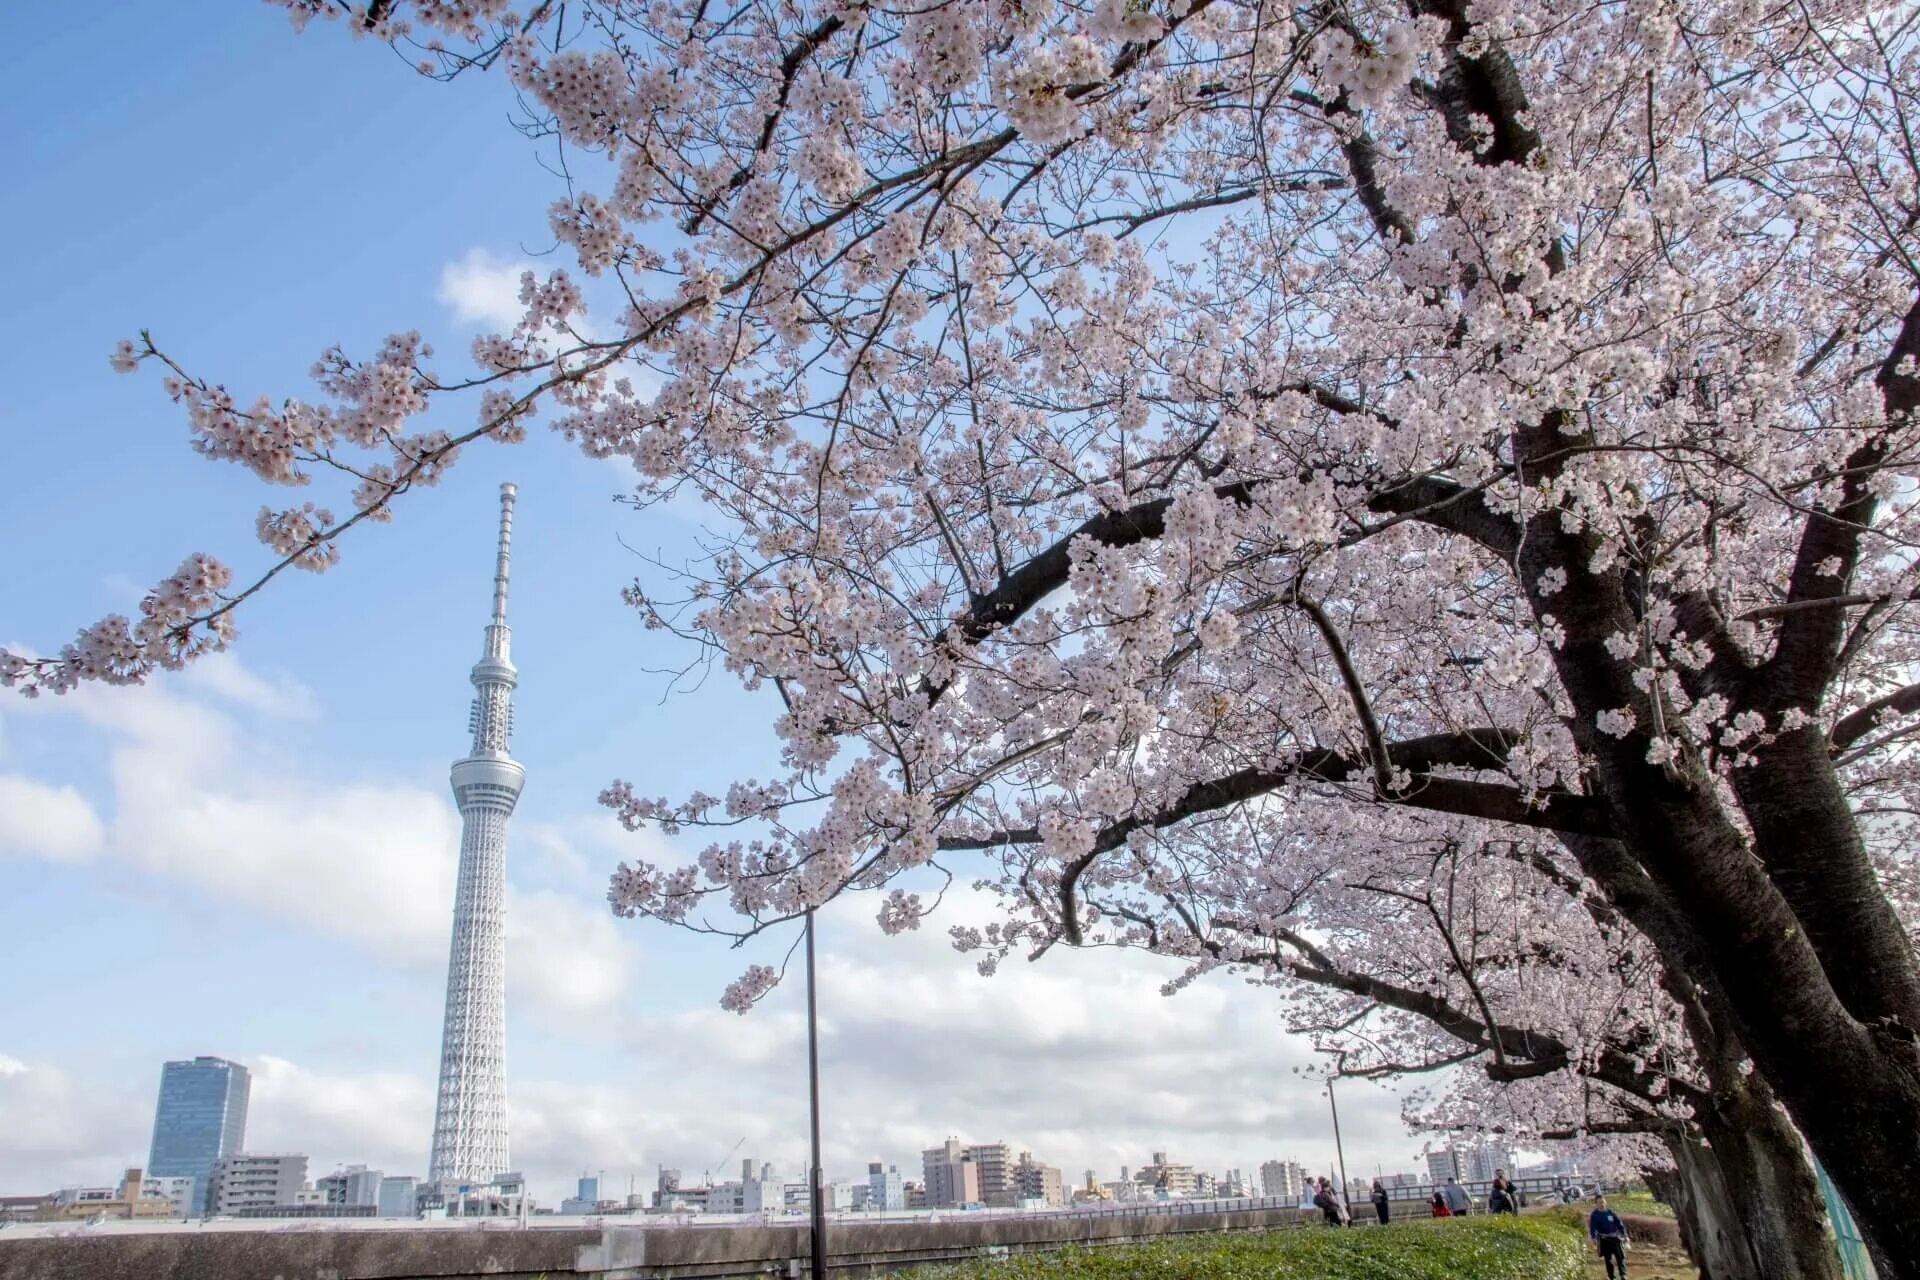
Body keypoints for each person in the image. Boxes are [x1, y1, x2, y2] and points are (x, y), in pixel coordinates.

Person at [1588, 1195, 1631, 1279]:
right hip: (1604, 1240)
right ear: (1596, 1204)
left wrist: (1625, 1235)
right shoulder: (1595, 1215)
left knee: (1620, 1257)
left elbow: (1620, 1224)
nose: (1602, 1204)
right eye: (1599, 1202)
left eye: (1603, 1202)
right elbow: (1592, 1228)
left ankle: (1623, 1275)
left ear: (1606, 1202)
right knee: (1608, 1259)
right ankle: (1612, 1277)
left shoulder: (1611, 1212)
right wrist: (1593, 1238)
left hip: (1615, 1238)